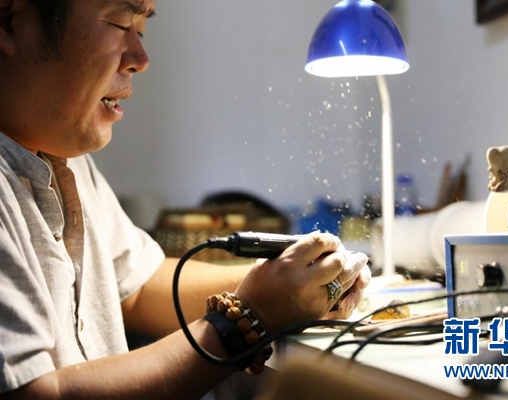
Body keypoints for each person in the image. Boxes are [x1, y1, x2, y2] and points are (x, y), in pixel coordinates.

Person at [0, 0, 371, 399]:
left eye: (140, 30)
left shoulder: (63, 154)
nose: (140, 59)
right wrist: (248, 318)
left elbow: (141, 286)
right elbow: (36, 393)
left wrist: (294, 284)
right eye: (120, 23)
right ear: (10, 22)